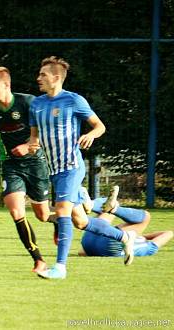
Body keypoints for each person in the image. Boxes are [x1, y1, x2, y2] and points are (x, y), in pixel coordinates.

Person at [28, 56, 135, 280]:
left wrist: (90, 135)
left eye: (43, 75)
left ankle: (60, 267)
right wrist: (31, 145)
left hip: (71, 167)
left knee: (62, 211)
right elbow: (34, 137)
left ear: (56, 78)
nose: (38, 78)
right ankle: (124, 237)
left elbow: (100, 126)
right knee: (81, 221)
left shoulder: (74, 101)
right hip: (54, 170)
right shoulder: (36, 105)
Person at [0, 66, 51, 273]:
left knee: (43, 215)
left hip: (35, 162)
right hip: (10, 163)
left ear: (6, 85)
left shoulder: (27, 102)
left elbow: (45, 129)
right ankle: (38, 259)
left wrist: (28, 146)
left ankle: (59, 222)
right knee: (16, 211)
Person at [79, 186, 171, 258]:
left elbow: (169, 233)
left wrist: (141, 236)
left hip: (108, 242)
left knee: (146, 216)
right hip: (88, 245)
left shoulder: (150, 248)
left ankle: (96, 205)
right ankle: (104, 207)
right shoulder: (146, 248)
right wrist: (140, 237)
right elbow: (81, 253)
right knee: (107, 210)